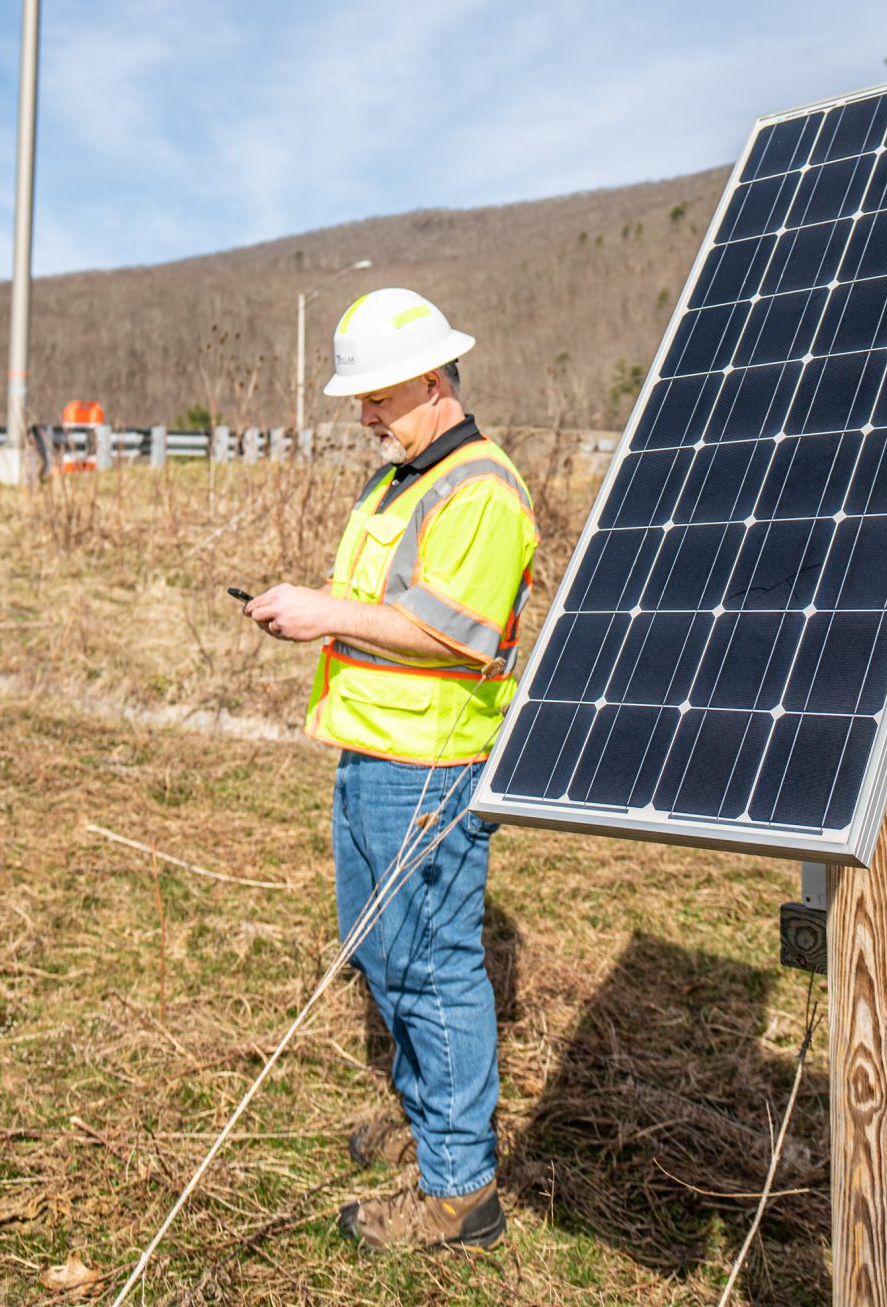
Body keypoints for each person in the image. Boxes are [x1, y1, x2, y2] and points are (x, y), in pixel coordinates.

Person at [241, 286, 538, 1253]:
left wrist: (324, 614)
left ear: (432, 380)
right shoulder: (398, 480)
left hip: (431, 767)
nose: (363, 414)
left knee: (430, 969)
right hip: (373, 754)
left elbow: (451, 637)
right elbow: (383, 609)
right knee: (383, 958)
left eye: (376, 396)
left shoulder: (482, 491)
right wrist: (317, 608)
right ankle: (428, 1130)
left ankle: (460, 1195)